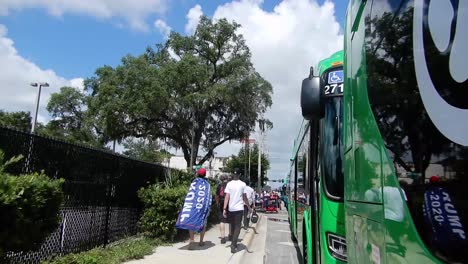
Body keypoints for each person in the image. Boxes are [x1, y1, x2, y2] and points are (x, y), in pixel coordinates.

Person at [175, 168, 212, 250]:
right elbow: (208, 196)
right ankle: (201, 241)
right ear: (205, 175)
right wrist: (208, 207)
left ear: (198, 174)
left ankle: (192, 239)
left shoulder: (194, 182)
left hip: (193, 205)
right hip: (202, 206)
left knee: (191, 219)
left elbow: (190, 193)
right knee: (203, 222)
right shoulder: (207, 185)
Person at [223, 170, 252, 253]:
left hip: (231, 208)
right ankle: (233, 244)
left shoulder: (229, 184)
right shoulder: (243, 184)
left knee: (232, 225)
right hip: (239, 208)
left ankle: (232, 240)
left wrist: (224, 208)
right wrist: (249, 207)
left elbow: (227, 197)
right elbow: (244, 197)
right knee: (237, 226)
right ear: (240, 175)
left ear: (232, 174)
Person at [215, 174, 230, 244]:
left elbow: (217, 196)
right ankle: (231, 235)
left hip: (221, 203)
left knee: (222, 221)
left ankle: (223, 237)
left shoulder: (219, 186)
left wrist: (217, 203)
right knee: (231, 220)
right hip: (229, 204)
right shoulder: (230, 185)